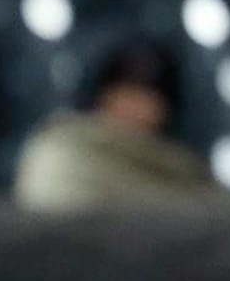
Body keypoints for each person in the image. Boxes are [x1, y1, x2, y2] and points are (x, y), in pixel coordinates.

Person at [14, 39, 219, 211]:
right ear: (100, 97)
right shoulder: (62, 153)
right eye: (125, 93)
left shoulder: (189, 178)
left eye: (150, 97)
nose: (138, 108)